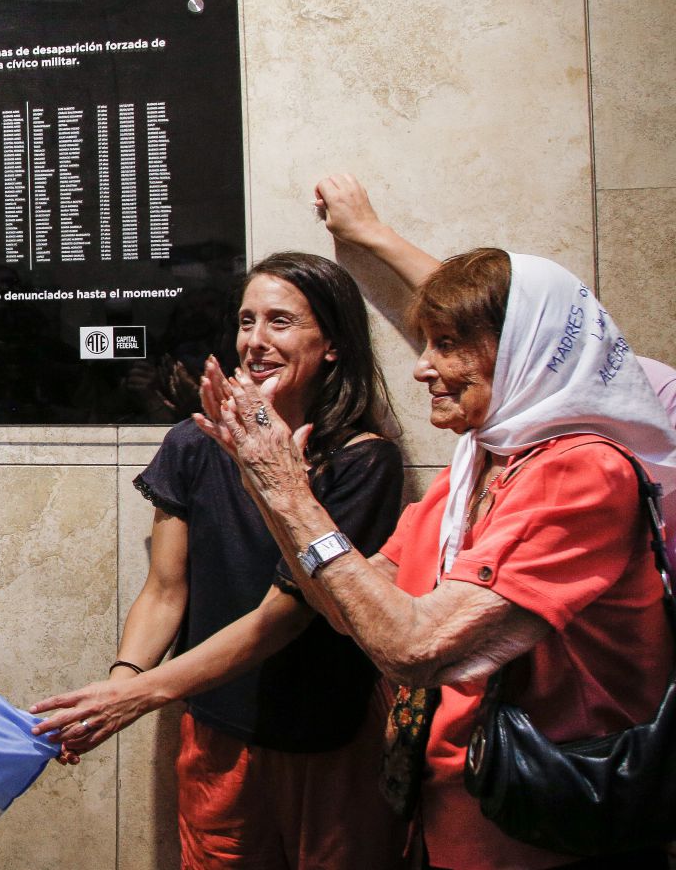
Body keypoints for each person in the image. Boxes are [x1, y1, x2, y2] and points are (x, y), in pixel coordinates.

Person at [196, 248, 676, 869]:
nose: (423, 368)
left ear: (526, 350)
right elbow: (350, 607)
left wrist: (289, 493)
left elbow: (415, 649)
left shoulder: (583, 472)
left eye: (447, 343)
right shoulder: (476, 467)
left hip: (555, 840)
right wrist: (266, 484)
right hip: (460, 822)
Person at [31, 251, 406, 869]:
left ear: (333, 344)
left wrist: (143, 694)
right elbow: (164, 590)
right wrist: (116, 689)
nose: (256, 342)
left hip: (326, 734)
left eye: (280, 322)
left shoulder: (363, 462)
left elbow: (285, 615)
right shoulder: (192, 444)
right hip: (216, 731)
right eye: (246, 321)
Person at [314, 173, 676, 418]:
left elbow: (490, 317)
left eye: (445, 344)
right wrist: (370, 233)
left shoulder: (648, 393)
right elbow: (477, 311)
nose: (422, 369)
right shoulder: (497, 442)